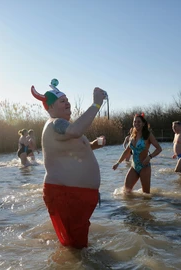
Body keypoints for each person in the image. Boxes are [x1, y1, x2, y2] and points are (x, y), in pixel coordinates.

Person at [31, 82, 106, 249]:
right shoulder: (56, 123)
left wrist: (93, 144)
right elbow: (75, 131)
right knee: (75, 251)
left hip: (74, 195)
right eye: (62, 101)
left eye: (67, 99)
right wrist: (96, 104)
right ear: (50, 107)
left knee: (75, 248)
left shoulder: (62, 126)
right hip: (66, 195)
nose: (67, 103)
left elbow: (70, 152)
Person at [112, 114, 162, 194]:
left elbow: (159, 149)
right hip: (134, 167)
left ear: (143, 123)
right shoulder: (133, 135)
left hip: (144, 167)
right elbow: (127, 151)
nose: (136, 123)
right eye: (135, 122)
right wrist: (118, 163)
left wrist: (149, 157)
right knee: (126, 192)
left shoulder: (148, 135)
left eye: (139, 122)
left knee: (146, 195)